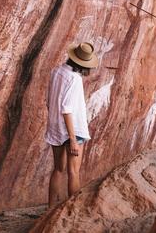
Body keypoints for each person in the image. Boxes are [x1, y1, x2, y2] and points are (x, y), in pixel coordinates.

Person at [45, 42, 98, 208]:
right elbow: (66, 109)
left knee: (58, 169)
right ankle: (72, 212)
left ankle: (50, 208)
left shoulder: (56, 71)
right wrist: (73, 139)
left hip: (55, 127)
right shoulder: (74, 79)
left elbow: (49, 101)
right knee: (73, 172)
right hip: (73, 130)